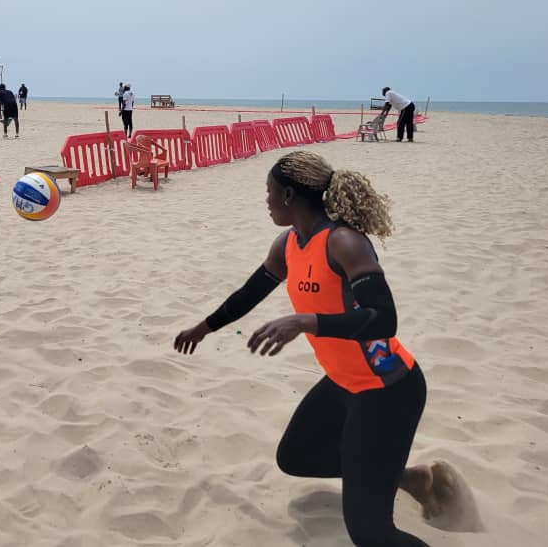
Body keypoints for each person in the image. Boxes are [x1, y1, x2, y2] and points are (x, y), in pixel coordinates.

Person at [174, 151, 467, 547]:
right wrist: (202, 328)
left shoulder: (344, 242)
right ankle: (410, 478)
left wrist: (307, 321)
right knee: (295, 457)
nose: (266, 200)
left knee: (371, 533)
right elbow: (249, 294)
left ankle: (387, 479)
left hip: (388, 389)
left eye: (270, 192)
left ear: (291, 195)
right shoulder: (289, 244)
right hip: (343, 382)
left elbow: (384, 319)